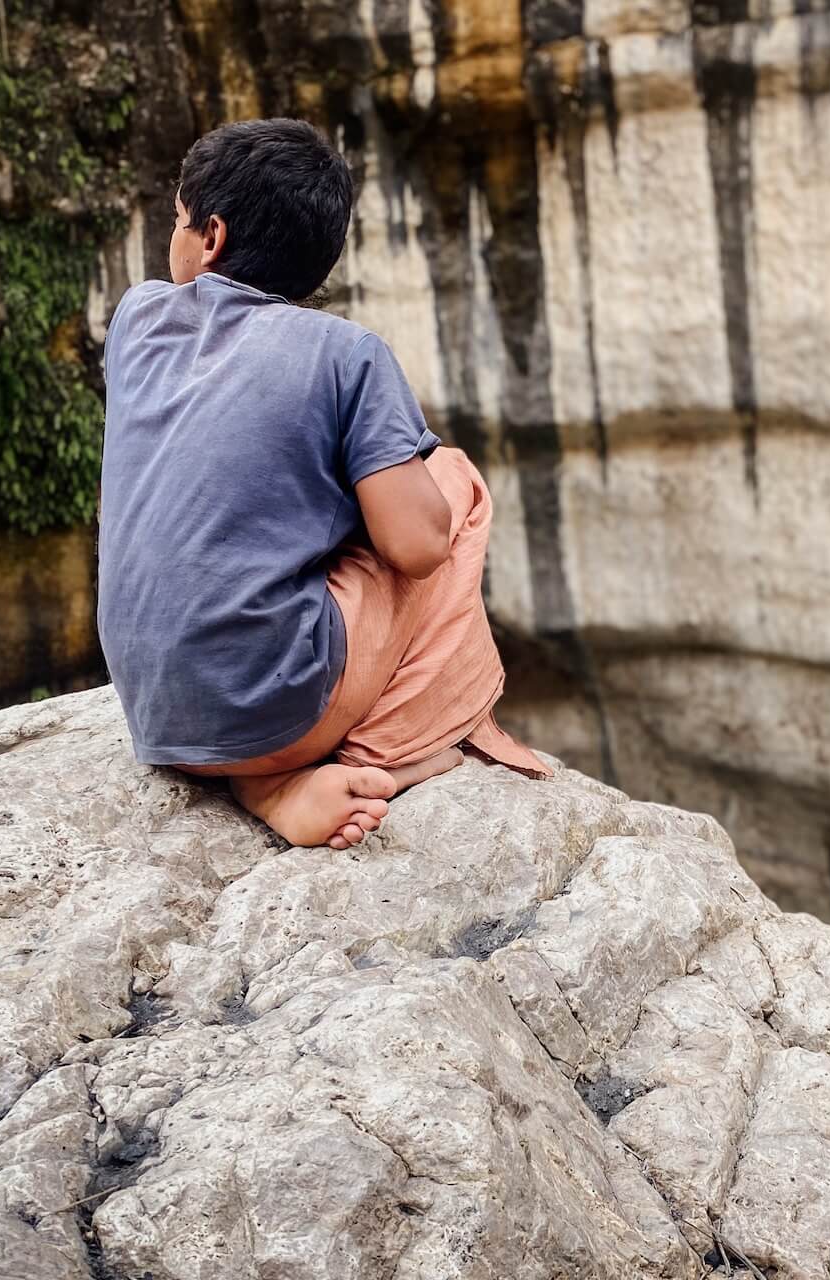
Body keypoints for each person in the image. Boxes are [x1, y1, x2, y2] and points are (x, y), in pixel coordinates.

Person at [97, 118, 546, 851]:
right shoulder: (347, 353)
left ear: (209, 238)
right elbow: (416, 547)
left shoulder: (135, 319)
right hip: (267, 711)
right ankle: (375, 753)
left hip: (153, 714)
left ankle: (262, 778)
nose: (171, 241)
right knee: (452, 482)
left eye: (177, 223)